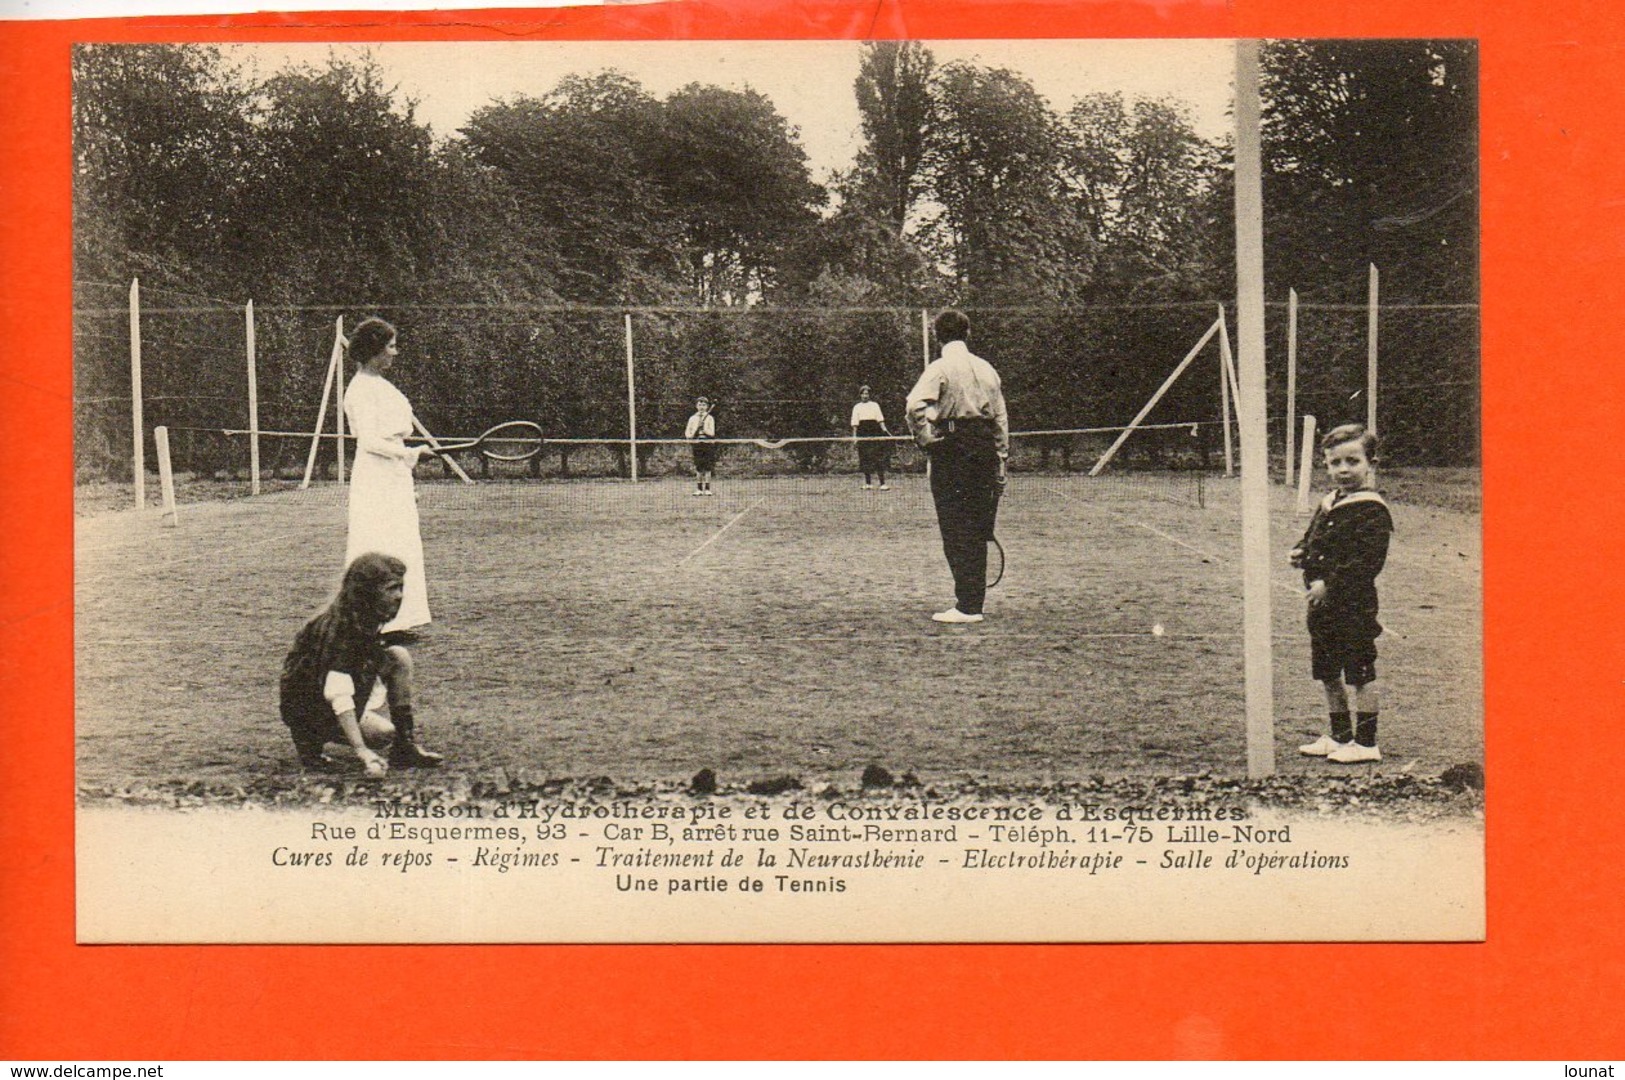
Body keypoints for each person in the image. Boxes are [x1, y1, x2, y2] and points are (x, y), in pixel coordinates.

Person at [279, 552, 444, 774]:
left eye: (400, 588)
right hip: (309, 711)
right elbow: (337, 691)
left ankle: (404, 746)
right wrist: (361, 750)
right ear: (367, 593)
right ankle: (310, 747)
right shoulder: (341, 629)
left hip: (322, 703)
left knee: (397, 658)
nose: (399, 596)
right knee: (375, 731)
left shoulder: (361, 617)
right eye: (391, 589)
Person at [1291, 423, 1395, 763]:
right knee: (1328, 671)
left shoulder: (1372, 509)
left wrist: (1328, 584)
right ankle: (1340, 737)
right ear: (1326, 464)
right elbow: (1312, 539)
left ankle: (1366, 743)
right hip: (1321, 609)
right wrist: (1300, 553)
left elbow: (1366, 562)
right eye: (1336, 463)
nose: (1344, 470)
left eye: (1353, 461)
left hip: (1353, 606)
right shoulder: (1329, 502)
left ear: (1371, 463)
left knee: (1359, 672)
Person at [906, 309, 1009, 624]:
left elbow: (914, 405)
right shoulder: (987, 368)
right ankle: (972, 602)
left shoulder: (939, 367)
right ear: (968, 334)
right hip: (985, 449)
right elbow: (1001, 418)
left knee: (954, 526)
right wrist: (1001, 459)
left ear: (937, 336)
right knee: (978, 526)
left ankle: (967, 605)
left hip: (954, 449)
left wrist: (924, 439)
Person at [342, 317, 431, 638]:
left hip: (393, 473)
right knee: (377, 544)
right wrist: (411, 454)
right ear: (374, 350)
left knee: (401, 542)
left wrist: (408, 457)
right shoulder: (361, 390)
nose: (395, 352)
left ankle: (396, 621)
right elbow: (369, 442)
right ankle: (371, 624)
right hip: (376, 476)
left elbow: (391, 438)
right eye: (390, 346)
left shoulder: (380, 384)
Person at [850, 384, 893, 490]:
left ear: (869, 395)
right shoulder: (857, 407)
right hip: (862, 433)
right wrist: (855, 437)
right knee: (865, 457)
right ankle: (868, 483)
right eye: (863, 393)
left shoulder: (875, 405)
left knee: (878, 457)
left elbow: (880, 420)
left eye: (867, 393)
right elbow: (855, 424)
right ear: (860, 395)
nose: (865, 395)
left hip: (874, 432)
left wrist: (885, 431)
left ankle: (882, 483)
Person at [685, 396, 717, 497]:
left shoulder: (710, 418)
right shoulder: (692, 418)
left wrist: (704, 428)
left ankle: (707, 489)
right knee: (699, 467)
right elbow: (688, 434)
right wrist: (696, 428)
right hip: (697, 444)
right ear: (696, 406)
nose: (702, 407)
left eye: (704, 405)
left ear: (707, 406)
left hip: (707, 444)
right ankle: (698, 488)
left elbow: (712, 433)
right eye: (700, 404)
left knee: (707, 467)